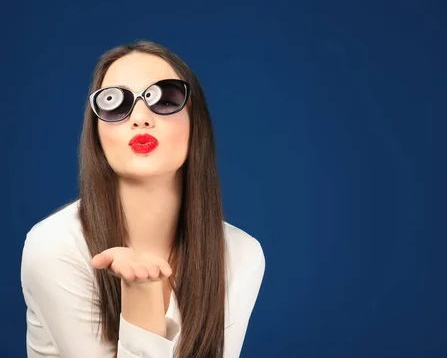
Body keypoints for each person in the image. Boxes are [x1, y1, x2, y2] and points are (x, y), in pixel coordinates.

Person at [20, 40, 266, 357]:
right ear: (96, 132)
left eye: (165, 98)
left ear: (196, 123)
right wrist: (143, 296)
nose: (140, 117)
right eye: (114, 102)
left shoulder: (241, 254)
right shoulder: (54, 247)